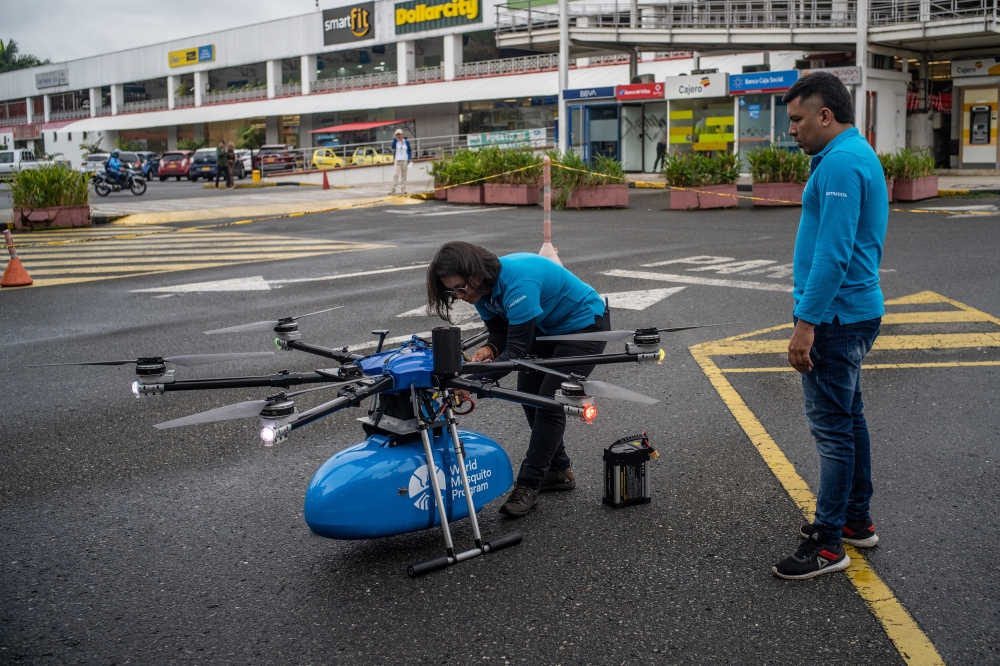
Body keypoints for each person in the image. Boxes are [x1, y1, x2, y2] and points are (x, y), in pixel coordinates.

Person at [771, 72, 888, 580]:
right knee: (849, 418)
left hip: (836, 317)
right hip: (856, 311)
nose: (791, 130)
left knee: (834, 432)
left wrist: (805, 323)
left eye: (797, 120)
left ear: (825, 116)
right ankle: (855, 522)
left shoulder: (840, 164)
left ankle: (828, 543)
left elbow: (833, 254)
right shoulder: (855, 154)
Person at [427, 242, 609, 517]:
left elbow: (516, 353)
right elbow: (502, 336)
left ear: (476, 274)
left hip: (584, 325)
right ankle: (558, 469)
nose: (459, 296)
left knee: (549, 403)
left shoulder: (518, 283)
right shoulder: (482, 292)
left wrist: (469, 383)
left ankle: (529, 483)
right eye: (452, 292)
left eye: (460, 289)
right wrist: (489, 350)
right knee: (528, 393)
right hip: (546, 328)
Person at [389, 128, 412, 195]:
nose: (398, 135)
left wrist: (410, 158)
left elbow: (409, 150)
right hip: (397, 160)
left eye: (399, 134)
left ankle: (403, 188)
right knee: (395, 175)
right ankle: (393, 189)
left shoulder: (406, 142)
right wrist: (394, 138)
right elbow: (393, 147)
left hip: (404, 159)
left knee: (404, 175)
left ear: (402, 134)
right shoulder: (396, 141)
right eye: (397, 134)